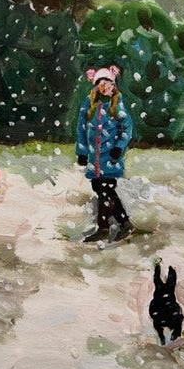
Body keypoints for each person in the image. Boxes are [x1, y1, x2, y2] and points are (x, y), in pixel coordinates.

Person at [74, 64, 135, 243]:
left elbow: (127, 128)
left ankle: (104, 228)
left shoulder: (118, 104)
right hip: (95, 157)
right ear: (96, 87)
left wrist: (119, 147)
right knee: (99, 189)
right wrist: (82, 152)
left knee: (106, 190)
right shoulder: (89, 103)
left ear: (114, 86)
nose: (106, 88)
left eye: (109, 85)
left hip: (110, 157)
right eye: (102, 85)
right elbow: (82, 128)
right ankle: (124, 224)